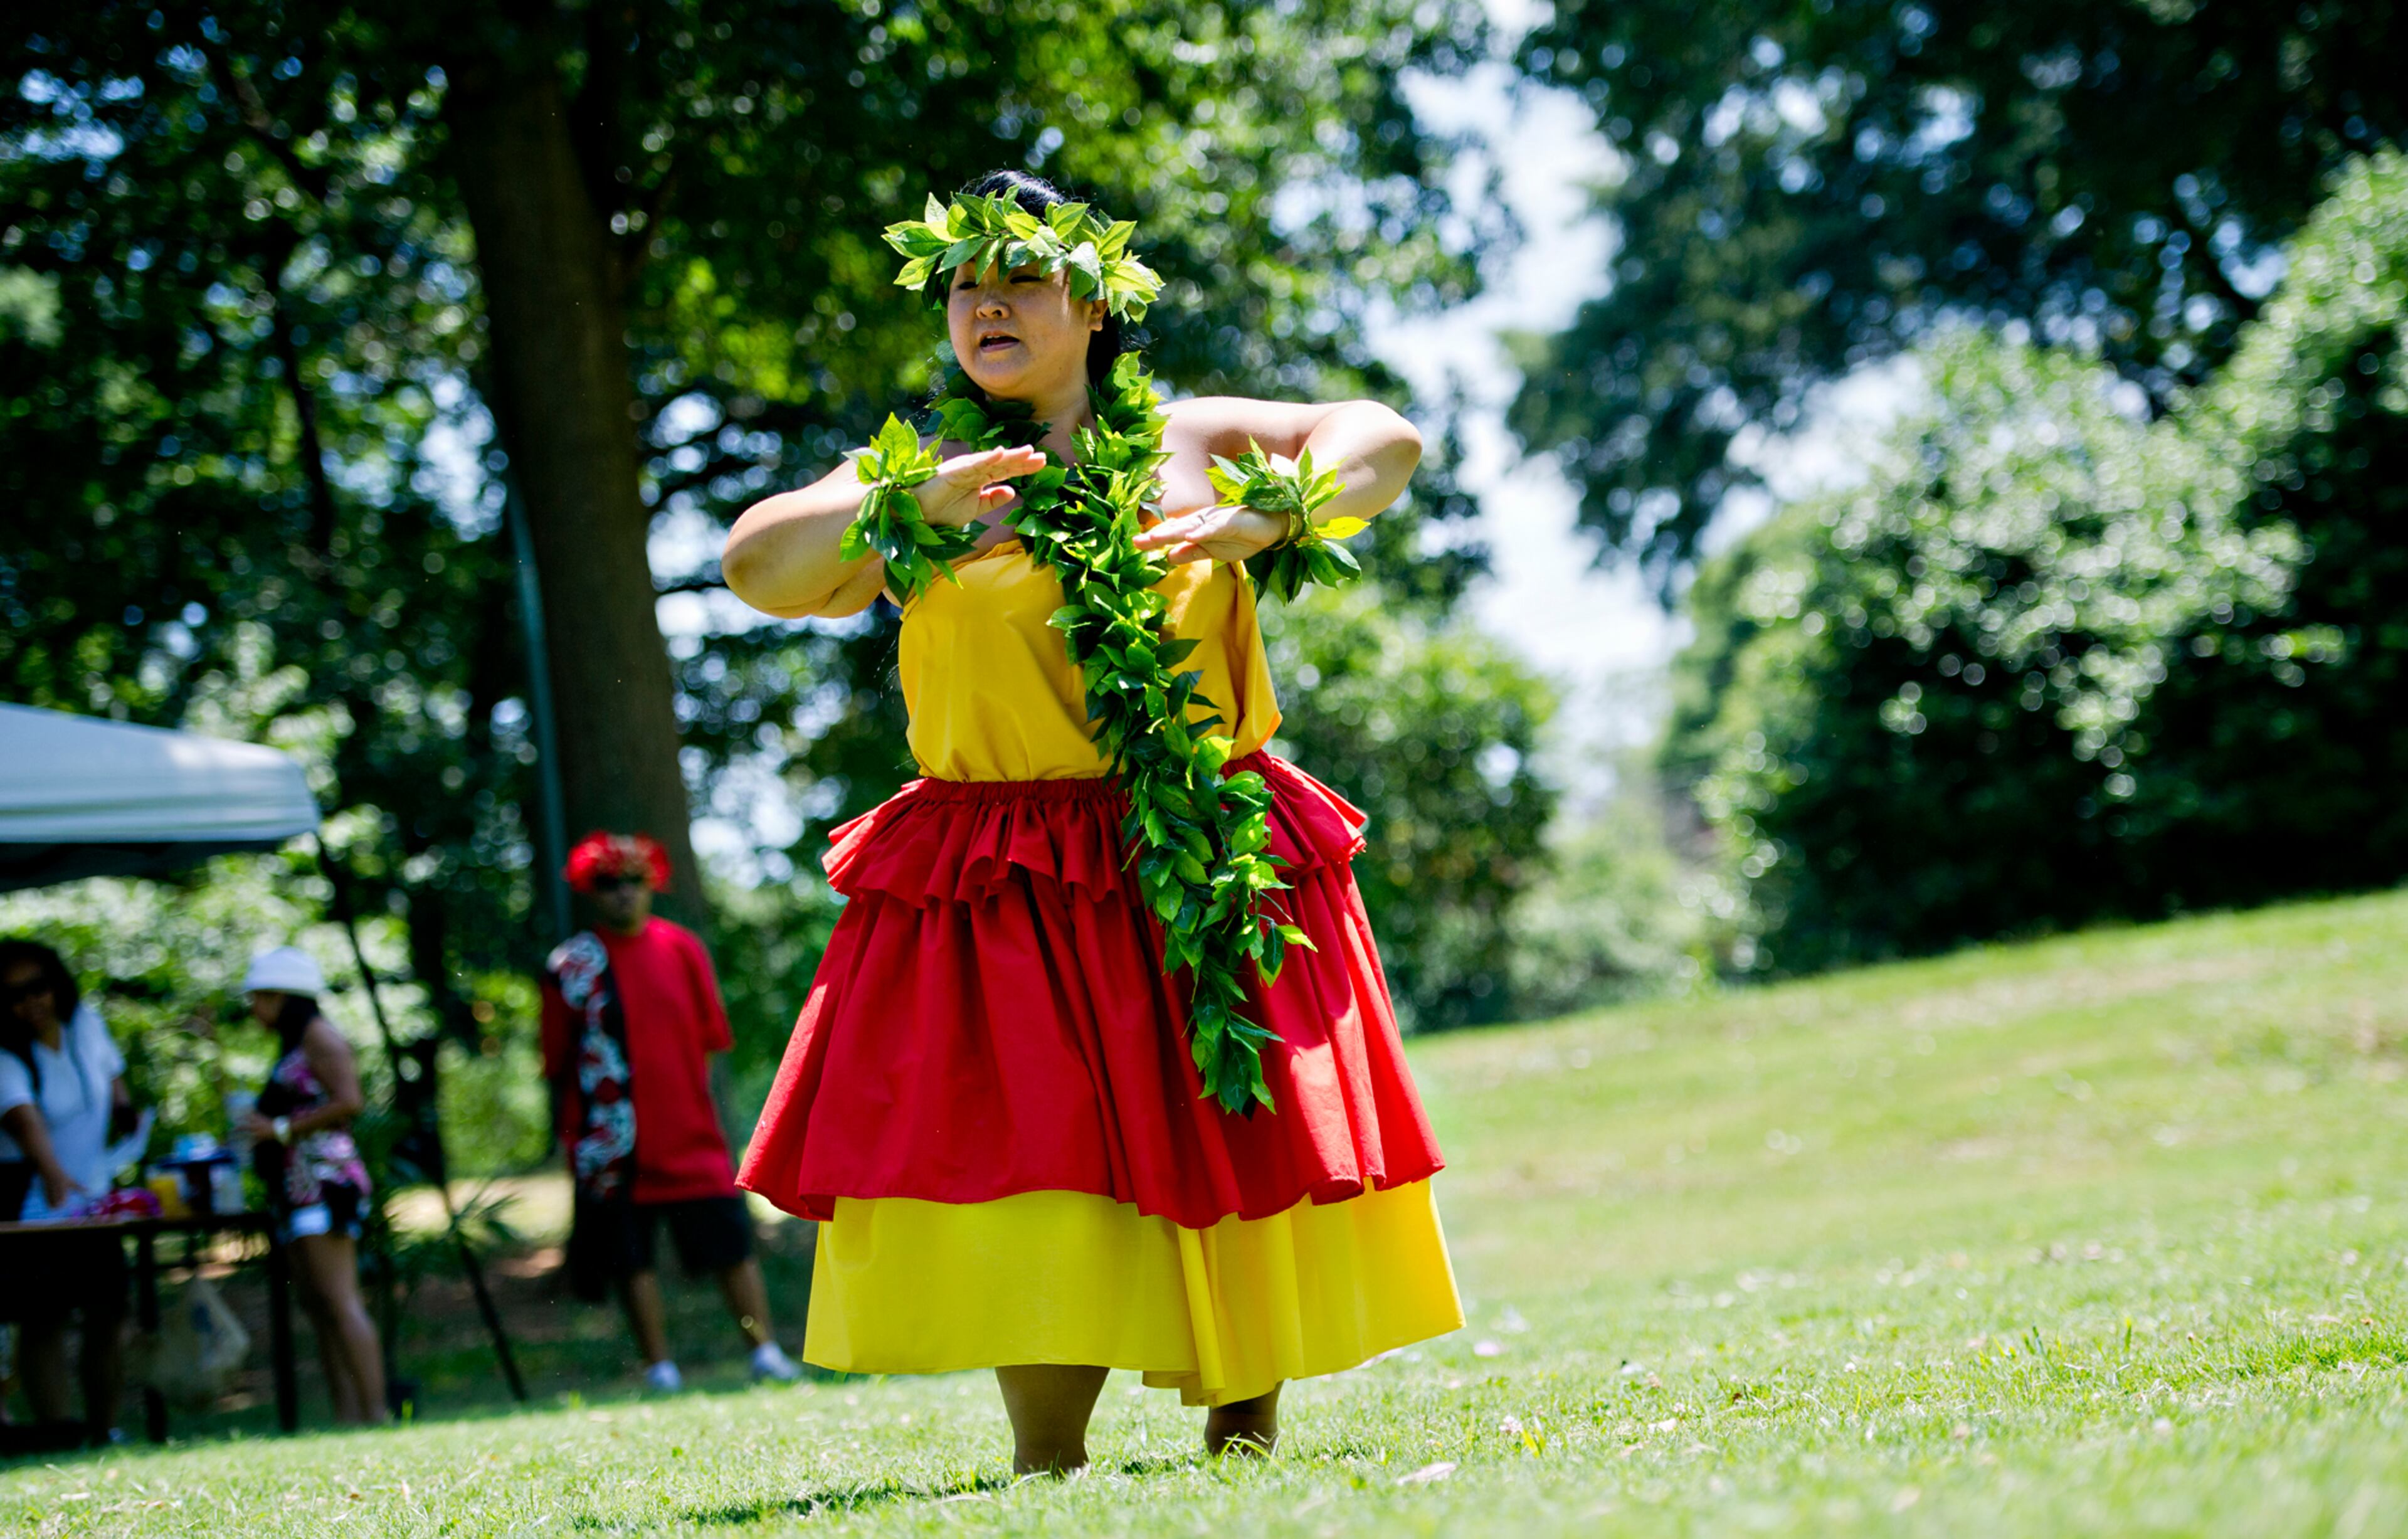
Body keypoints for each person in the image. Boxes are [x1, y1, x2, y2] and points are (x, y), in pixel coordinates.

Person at [722, 170, 1462, 1474]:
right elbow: (758, 566)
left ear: (1098, 301)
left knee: (1231, 1118)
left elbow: (1385, 436)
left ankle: (1247, 1434)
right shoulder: (919, 473)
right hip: (1009, 859)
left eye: (1019, 280)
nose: (985, 305)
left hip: (1198, 829)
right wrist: (904, 506)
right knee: (1040, 1148)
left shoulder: (1188, 435)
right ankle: (1046, 1459)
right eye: (964, 285)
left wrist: (1271, 513)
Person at [540, 831, 801, 1391]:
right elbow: (558, 1061)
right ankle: (660, 1367)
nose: (622, 894)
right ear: (591, 892)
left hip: (691, 1136)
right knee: (631, 1258)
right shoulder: (573, 965)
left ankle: (765, 1354)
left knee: (731, 1246)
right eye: (608, 884)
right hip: (615, 1144)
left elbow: (710, 1039)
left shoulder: (682, 949)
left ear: (651, 883)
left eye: (633, 881)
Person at [237, 946, 388, 1425]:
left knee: (341, 1298)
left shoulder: (322, 1038)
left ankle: (377, 1413)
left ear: (287, 996)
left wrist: (280, 1130)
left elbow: (350, 1101)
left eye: (261, 997)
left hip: (326, 1183)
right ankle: (347, 1416)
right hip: (297, 1185)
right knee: (320, 1303)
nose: (254, 1008)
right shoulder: (295, 1043)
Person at [0, 939, 135, 1441]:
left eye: (38, 988)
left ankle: (103, 1428)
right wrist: (54, 1173)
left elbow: (113, 1078)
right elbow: (23, 1118)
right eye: (14, 995)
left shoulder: (87, 1025)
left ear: (57, 985)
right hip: (32, 1202)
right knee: (43, 1315)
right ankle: (57, 1431)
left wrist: (125, 1113)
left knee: (109, 1307)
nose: (30, 1002)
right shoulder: (8, 1055)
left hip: (95, 1194)